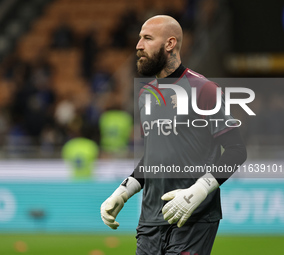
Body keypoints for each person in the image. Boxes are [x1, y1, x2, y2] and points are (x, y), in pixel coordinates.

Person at [100, 15, 247, 255]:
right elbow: (153, 158)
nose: (138, 45)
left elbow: (236, 151)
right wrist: (124, 191)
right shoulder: (145, 95)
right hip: (149, 220)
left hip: (193, 218)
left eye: (147, 38)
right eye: (139, 39)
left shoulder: (203, 90)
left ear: (170, 44)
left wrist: (198, 191)